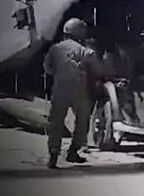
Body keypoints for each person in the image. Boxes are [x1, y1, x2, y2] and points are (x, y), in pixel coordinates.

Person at [43, 18, 107, 169]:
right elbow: (98, 67)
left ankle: (53, 153)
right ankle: (73, 151)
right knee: (82, 120)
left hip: (59, 88)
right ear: (80, 33)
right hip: (78, 89)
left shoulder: (55, 49)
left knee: (56, 121)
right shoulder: (83, 50)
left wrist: (59, 74)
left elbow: (47, 67)